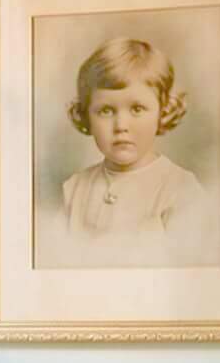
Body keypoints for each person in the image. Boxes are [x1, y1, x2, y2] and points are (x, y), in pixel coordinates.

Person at [60, 38, 206, 244]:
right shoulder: (74, 190)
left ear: (162, 112)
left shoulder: (180, 190)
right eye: (106, 110)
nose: (121, 125)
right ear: (86, 116)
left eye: (137, 109)